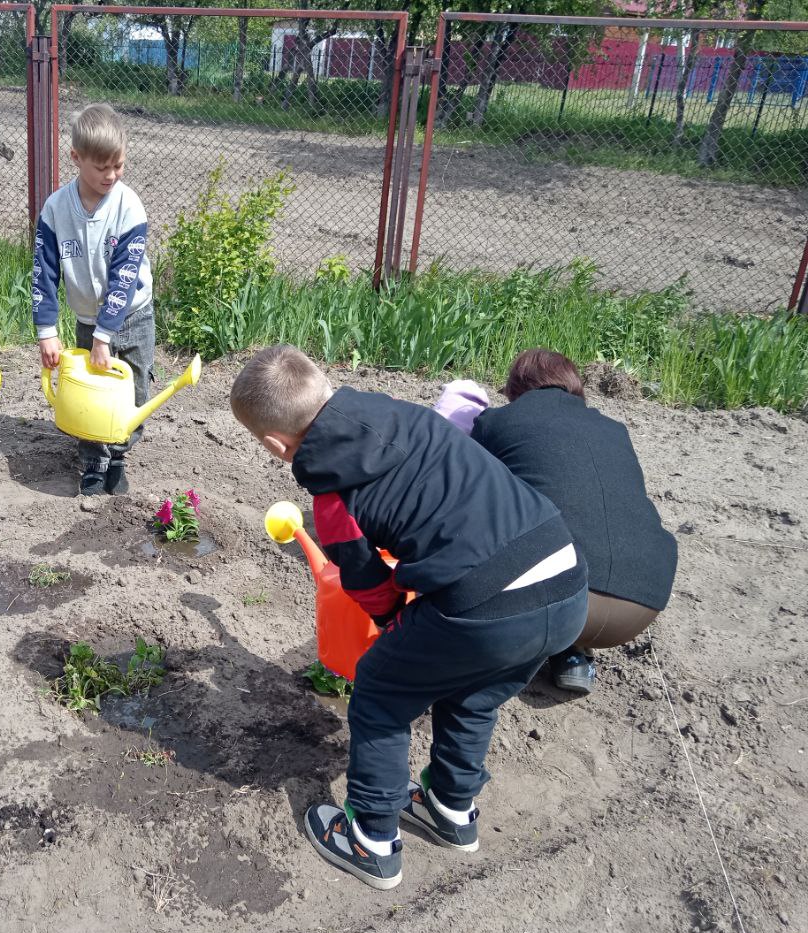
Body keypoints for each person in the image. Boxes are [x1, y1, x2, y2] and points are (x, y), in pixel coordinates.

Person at [230, 346, 588, 891]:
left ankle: (370, 838)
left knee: (380, 686)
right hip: (564, 579)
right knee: (473, 692)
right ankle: (449, 809)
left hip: (490, 599)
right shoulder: (407, 415)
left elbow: (369, 586)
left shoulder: (332, 502)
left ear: (276, 445)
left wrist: (396, 619)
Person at [445, 349, 677, 695]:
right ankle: (574, 657)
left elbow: (462, 497)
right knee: (581, 525)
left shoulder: (497, 422)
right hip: (643, 604)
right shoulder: (614, 429)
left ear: (514, 387)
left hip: (563, 602)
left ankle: (513, 650)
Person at [33, 103, 154, 496]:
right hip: (87, 318)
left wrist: (107, 335)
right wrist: (47, 330)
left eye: (118, 165)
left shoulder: (128, 207)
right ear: (76, 158)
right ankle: (92, 461)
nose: (111, 175)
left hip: (132, 314)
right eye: (102, 167)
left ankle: (117, 456)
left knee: (131, 389)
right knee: (90, 389)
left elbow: (124, 277)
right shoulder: (55, 209)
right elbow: (44, 272)